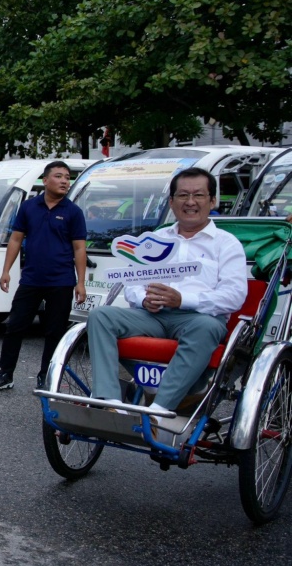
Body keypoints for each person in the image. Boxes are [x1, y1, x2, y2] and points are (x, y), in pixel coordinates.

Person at [88, 168, 247, 415]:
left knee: (206, 328)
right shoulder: (155, 239)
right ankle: (110, 401)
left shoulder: (226, 244)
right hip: (153, 316)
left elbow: (234, 295)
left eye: (199, 195)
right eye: (183, 195)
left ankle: (160, 409)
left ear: (212, 201)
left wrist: (183, 299)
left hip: (198, 320)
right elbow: (132, 285)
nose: (191, 202)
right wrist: (144, 299)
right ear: (172, 202)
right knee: (101, 316)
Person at [0, 161, 87, 391]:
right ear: (45, 180)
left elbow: (80, 248)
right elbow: (15, 239)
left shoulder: (73, 212)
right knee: (15, 327)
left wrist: (80, 283)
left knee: (54, 332)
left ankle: (47, 377)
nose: (64, 181)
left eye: (67, 177)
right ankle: (5, 374)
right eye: (59, 176)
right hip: (31, 279)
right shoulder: (29, 207)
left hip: (61, 281)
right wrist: (6, 271)